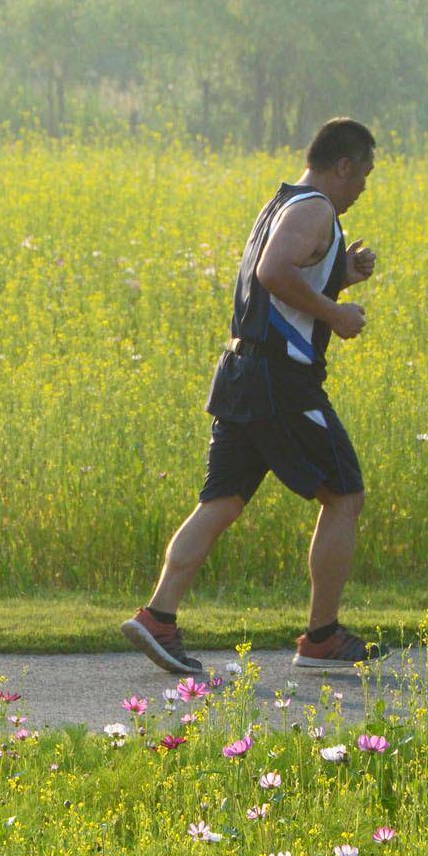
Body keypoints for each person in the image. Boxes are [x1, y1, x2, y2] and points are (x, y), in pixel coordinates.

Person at [120, 118, 385, 677]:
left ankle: (158, 617)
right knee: (345, 496)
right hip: (281, 380)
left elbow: (289, 278)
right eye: (363, 173)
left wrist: (342, 274)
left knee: (222, 501)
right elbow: (272, 273)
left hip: (243, 372)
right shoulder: (315, 209)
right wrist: (336, 314)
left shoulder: (283, 203)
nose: (364, 186)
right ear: (343, 165)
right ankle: (321, 637)